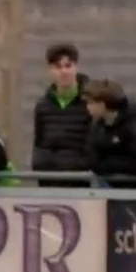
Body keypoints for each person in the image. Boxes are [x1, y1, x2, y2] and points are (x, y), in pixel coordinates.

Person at [30, 43, 91, 182]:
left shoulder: (90, 102)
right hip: (49, 180)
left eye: (68, 66)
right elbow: (39, 142)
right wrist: (39, 164)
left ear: (76, 67)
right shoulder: (43, 105)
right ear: (49, 70)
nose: (63, 71)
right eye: (58, 67)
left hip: (81, 181)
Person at [82, 80, 136, 182]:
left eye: (90, 103)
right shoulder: (97, 127)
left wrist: (109, 165)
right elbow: (92, 160)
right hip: (115, 189)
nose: (87, 107)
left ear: (102, 104)